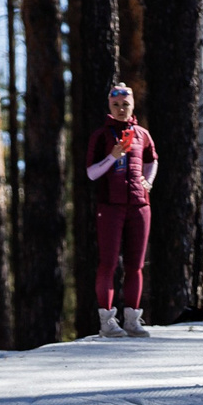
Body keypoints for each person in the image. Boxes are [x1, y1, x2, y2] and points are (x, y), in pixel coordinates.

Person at [84, 84, 157, 340]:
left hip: (139, 206)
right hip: (110, 207)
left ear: (133, 105)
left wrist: (148, 181)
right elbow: (91, 173)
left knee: (136, 266)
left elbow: (152, 159)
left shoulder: (142, 134)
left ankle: (132, 320)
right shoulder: (101, 136)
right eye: (116, 105)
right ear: (109, 107)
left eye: (125, 104)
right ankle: (107, 321)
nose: (121, 109)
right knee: (109, 263)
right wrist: (113, 157)